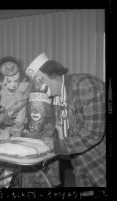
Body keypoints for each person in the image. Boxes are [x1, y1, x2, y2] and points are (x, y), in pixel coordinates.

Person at [25, 52, 106, 187]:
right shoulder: (56, 98)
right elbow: (60, 128)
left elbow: (93, 132)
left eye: (40, 79)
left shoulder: (83, 85)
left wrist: (58, 145)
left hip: (100, 156)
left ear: (54, 74)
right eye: (35, 82)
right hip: (80, 157)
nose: (38, 86)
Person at [21, 81, 61, 187]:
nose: (35, 112)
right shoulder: (27, 124)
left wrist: (29, 136)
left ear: (47, 111)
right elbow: (23, 139)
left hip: (46, 164)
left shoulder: (50, 125)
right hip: (30, 163)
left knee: (45, 184)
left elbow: (46, 140)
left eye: (39, 109)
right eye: (32, 109)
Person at [0, 56, 31, 133]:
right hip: (1, 128)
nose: (13, 85)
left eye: (16, 80)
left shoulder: (23, 89)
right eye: (8, 81)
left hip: (21, 128)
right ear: (1, 80)